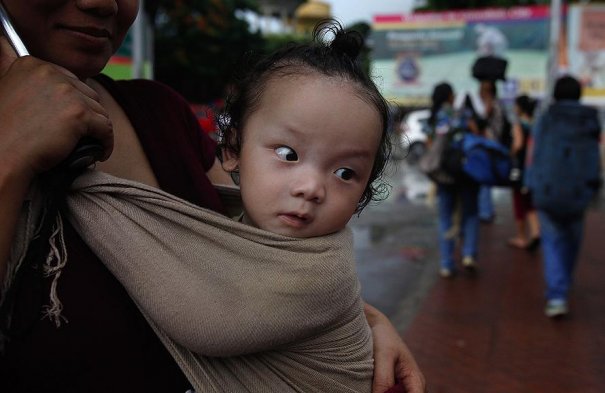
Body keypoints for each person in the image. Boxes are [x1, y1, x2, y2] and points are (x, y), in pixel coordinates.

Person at [0, 2, 425, 393]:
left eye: (346, 173)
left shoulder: (160, 115)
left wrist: (362, 317)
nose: (102, 2)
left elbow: (253, 277)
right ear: (232, 147)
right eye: (288, 155)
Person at [525, 75, 602, 318]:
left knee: (552, 241)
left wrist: (530, 184)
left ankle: (557, 295)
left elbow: (533, 153)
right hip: (579, 191)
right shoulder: (591, 120)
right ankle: (563, 283)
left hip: (547, 190)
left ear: (556, 95)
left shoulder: (546, 119)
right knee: (572, 240)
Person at [426, 82, 480, 277]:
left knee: (445, 217)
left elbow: (430, 146)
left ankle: (447, 264)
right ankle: (468, 255)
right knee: (471, 213)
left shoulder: (433, 118)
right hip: (466, 171)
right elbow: (475, 134)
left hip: (444, 175)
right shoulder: (461, 114)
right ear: (449, 96)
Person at [507, 95, 540, 250]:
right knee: (530, 202)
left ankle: (521, 237)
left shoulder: (518, 124)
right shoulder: (536, 124)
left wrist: (510, 153)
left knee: (519, 201)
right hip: (534, 167)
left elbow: (518, 144)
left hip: (520, 167)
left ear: (520, 107)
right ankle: (535, 232)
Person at [476, 80, 509, 223]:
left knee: (484, 180)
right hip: (494, 145)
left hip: (490, 146)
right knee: (485, 181)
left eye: (482, 91)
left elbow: (483, 120)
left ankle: (485, 212)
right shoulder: (500, 105)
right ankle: (486, 210)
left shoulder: (492, 105)